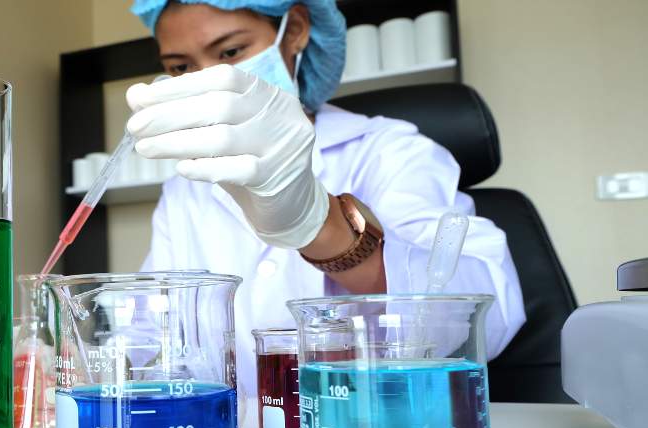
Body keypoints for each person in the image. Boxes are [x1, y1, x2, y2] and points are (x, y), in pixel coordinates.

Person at [125, 0, 524, 395]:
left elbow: (485, 320)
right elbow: (145, 334)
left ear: (295, 30)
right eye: (181, 68)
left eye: (230, 52)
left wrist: (321, 226)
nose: (208, 80)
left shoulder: (389, 150)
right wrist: (110, 361)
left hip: (374, 422)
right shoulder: (185, 189)